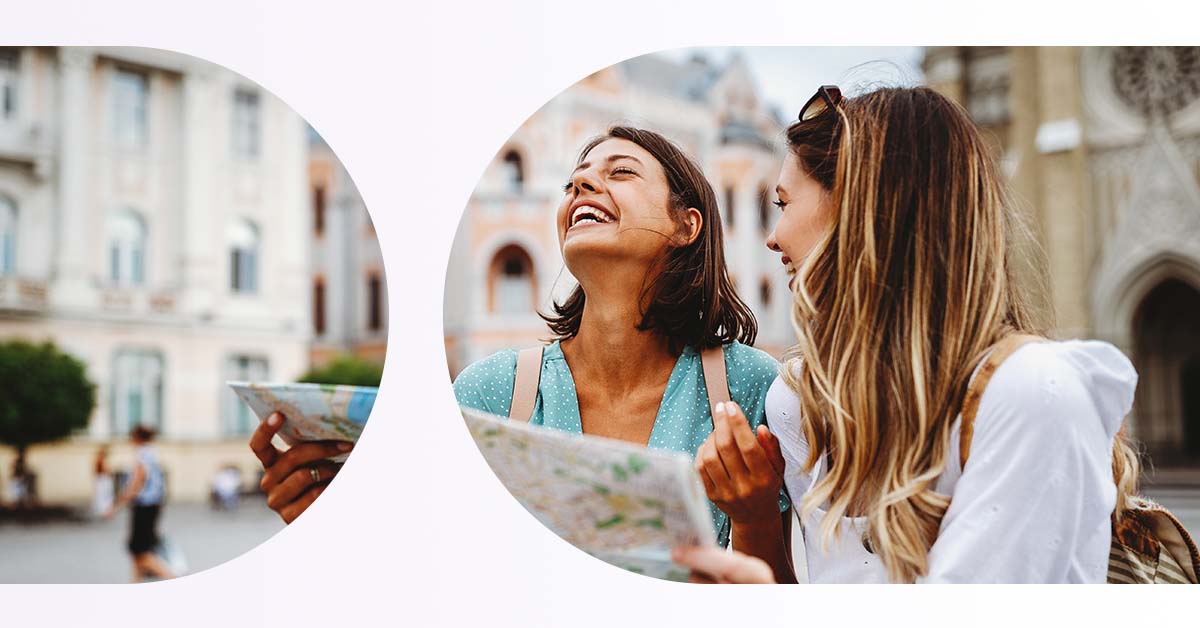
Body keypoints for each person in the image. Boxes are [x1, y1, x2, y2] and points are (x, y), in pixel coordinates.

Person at [674, 85, 1140, 583]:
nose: (773, 236)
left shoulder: (1031, 392)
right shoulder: (801, 398)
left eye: (784, 203)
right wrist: (754, 521)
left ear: (861, 210)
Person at [251, 126, 786, 545]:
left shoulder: (750, 387)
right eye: (574, 180)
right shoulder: (490, 391)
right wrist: (327, 520)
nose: (581, 184)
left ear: (686, 226)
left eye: (620, 172)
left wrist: (757, 518)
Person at [106, 425, 174, 582]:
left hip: (145, 507)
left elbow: (136, 484)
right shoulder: (152, 453)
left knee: (142, 552)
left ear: (137, 437)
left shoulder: (143, 455)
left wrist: (115, 506)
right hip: (152, 505)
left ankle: (173, 579)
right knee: (137, 552)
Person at [92, 445, 114, 518]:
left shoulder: (98, 460)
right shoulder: (101, 460)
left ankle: (104, 511)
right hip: (103, 480)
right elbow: (106, 470)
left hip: (100, 480)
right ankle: (105, 512)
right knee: (105, 496)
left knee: (102, 496)